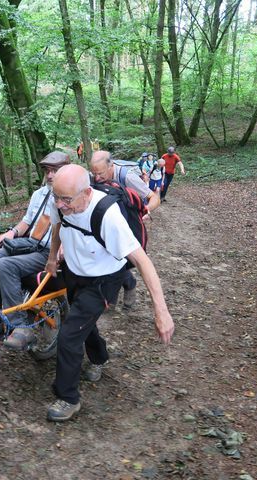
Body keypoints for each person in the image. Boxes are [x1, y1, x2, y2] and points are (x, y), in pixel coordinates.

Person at [44, 164, 174, 421]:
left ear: (87, 193)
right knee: (83, 323)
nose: (59, 204)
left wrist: (161, 311)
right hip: (75, 272)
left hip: (103, 281)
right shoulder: (61, 200)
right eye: (56, 197)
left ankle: (68, 398)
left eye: (66, 199)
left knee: (69, 334)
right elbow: (58, 226)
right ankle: (100, 358)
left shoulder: (107, 215)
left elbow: (143, 261)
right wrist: (51, 257)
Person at [0, 151, 71, 349]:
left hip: (48, 252)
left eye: (54, 171)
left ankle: (21, 327)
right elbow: (27, 221)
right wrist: (11, 233)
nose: (49, 175)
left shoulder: (69, 196)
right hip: (30, 245)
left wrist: (63, 247)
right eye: (47, 171)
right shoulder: (39, 194)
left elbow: (73, 225)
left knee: (6, 264)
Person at [89, 150, 160, 309]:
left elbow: (154, 198)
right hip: (108, 221)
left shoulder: (127, 177)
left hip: (130, 222)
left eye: (100, 174)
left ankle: (117, 293)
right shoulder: (94, 177)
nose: (96, 178)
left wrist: (145, 211)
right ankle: (117, 291)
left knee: (121, 256)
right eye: (94, 173)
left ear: (111, 166)